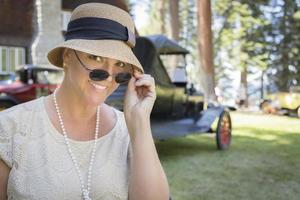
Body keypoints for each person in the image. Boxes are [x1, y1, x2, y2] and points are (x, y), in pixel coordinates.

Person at [0, 3, 169, 200]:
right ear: (67, 57)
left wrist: (139, 123)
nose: (108, 76)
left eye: (120, 64)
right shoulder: (10, 128)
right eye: (96, 57)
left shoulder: (128, 129)